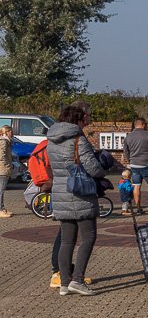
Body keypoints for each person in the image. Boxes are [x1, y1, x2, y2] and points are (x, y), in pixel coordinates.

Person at [47, 103, 106, 295]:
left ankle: (64, 283)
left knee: (67, 240)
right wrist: (103, 168)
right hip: (80, 192)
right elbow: (93, 168)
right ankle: (78, 280)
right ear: (78, 120)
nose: (87, 120)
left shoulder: (52, 139)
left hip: (60, 192)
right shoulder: (78, 139)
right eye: (85, 118)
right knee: (89, 236)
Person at [124, 117, 148, 213]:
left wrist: (130, 160)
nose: (146, 126)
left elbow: (125, 151)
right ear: (142, 124)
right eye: (145, 124)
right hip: (147, 164)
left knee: (136, 185)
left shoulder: (128, 136)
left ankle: (138, 208)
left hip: (134, 165)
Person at [0, 125, 12, 218]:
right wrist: (7, 165)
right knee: (1, 190)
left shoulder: (6, 141)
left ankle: (2, 208)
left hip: (4, 169)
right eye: (10, 131)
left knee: (1, 190)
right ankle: (0, 210)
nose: (12, 133)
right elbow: (1, 156)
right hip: (2, 169)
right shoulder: (3, 142)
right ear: (6, 132)